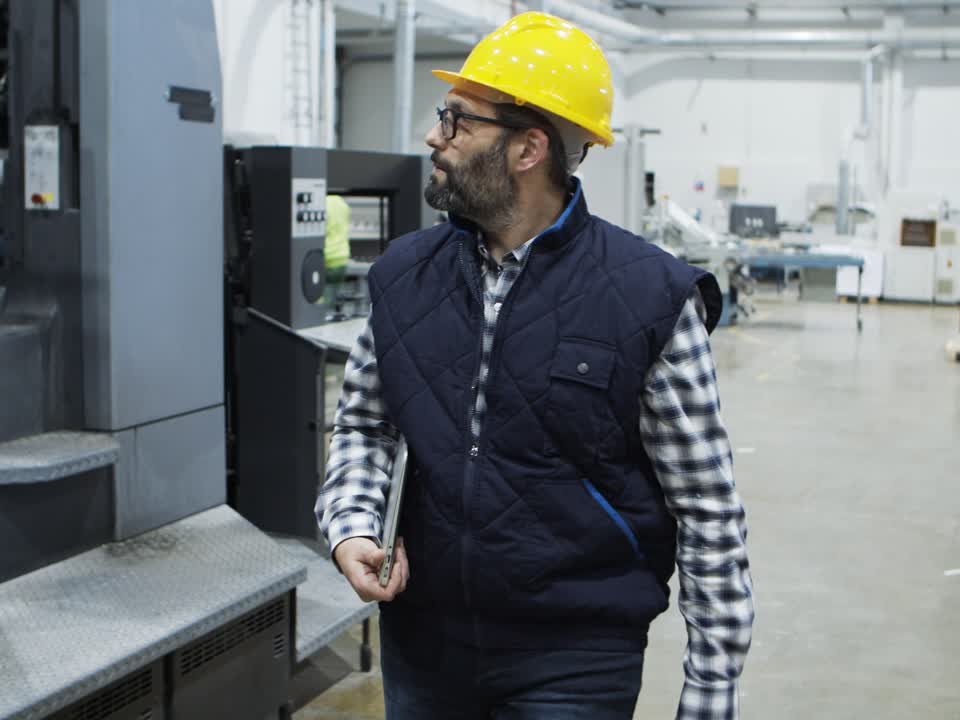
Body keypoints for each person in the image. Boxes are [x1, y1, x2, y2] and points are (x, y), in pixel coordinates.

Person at [315, 11, 753, 720]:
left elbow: (708, 509)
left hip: (576, 658)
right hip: (424, 646)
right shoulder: (401, 279)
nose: (435, 137)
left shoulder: (648, 295)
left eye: (457, 121)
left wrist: (710, 692)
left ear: (527, 149)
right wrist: (352, 524)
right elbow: (365, 426)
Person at [323, 194, 352, 316]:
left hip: (326, 257)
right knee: (333, 296)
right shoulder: (343, 204)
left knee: (320, 300)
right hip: (341, 256)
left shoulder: (322, 203)